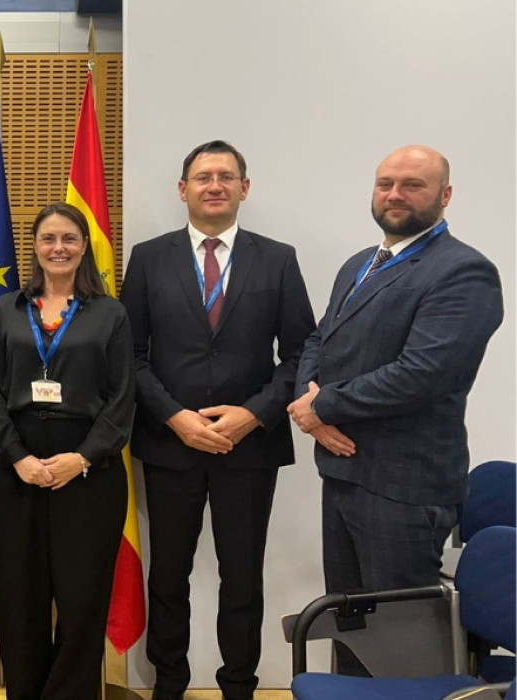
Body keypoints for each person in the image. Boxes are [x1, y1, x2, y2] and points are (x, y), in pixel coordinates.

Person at [288, 144, 503, 674]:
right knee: (353, 633)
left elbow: (423, 374)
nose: (395, 194)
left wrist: (324, 406)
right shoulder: (359, 264)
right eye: (386, 183)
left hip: (405, 487)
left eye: (413, 185)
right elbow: (319, 340)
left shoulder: (464, 271)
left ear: (445, 195)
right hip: (344, 474)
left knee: (404, 651)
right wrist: (310, 407)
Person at [120, 140, 316, 700]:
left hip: (248, 448)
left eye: (226, 176)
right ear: (183, 189)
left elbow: (302, 353)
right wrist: (175, 417)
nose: (214, 186)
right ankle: (169, 685)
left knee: (242, 578)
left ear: (244, 189)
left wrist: (253, 415)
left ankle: (238, 688)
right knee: (167, 576)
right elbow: (130, 355)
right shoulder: (148, 257)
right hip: (170, 444)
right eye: (203, 177)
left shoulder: (277, 258)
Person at [0, 202, 134, 700]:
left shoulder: (110, 313)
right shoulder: (7, 309)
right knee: (18, 597)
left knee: (82, 599)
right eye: (48, 238)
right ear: (35, 247)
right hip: (16, 466)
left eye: (69, 238)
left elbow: (122, 398)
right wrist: (18, 456)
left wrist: (82, 457)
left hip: (88, 469)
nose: (58, 247)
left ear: (85, 246)